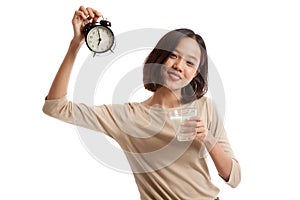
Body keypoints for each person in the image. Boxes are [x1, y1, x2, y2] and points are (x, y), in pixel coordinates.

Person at [43, 6, 241, 200]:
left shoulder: (205, 107)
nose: (179, 66)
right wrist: (75, 44)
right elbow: (55, 107)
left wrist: (208, 138)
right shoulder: (128, 117)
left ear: (196, 72)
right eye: (173, 55)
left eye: (190, 62)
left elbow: (234, 177)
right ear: (161, 58)